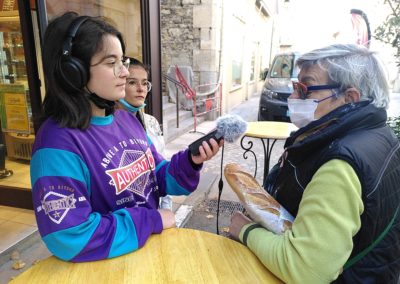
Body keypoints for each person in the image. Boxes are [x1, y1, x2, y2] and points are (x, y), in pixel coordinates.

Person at [30, 12, 221, 262]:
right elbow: (70, 236)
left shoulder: (126, 119)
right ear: (72, 72)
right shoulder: (56, 144)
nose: (124, 72)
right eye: (111, 63)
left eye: (124, 61)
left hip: (148, 257)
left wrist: (190, 162)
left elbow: (158, 177)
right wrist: (150, 220)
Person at [229, 44, 400, 283]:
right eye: (295, 87)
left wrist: (246, 230)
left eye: (305, 88)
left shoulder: (339, 164)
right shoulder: (380, 135)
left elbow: (306, 270)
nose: (292, 97)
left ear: (349, 98)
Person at [116, 58, 172, 210]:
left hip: (154, 210)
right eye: (132, 82)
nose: (141, 89)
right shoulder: (106, 129)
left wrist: (166, 208)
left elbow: (160, 165)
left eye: (145, 83)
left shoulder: (151, 123)